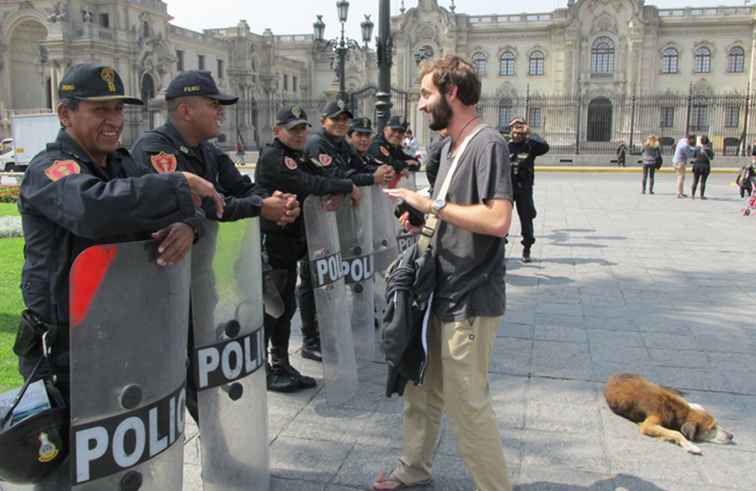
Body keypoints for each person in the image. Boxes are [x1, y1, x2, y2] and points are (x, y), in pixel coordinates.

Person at [13, 63, 224, 408]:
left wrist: (188, 227)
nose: (114, 120)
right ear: (65, 114)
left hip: (125, 334)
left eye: (118, 109)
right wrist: (177, 185)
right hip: (68, 351)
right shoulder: (48, 169)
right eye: (100, 110)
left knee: (132, 451)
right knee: (74, 457)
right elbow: (93, 210)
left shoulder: (122, 165)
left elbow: (192, 209)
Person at [372, 55, 514, 491]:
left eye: (426, 94)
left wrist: (430, 206)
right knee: (421, 387)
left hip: (469, 296)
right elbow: (455, 214)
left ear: (452, 93)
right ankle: (414, 468)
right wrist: (424, 221)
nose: (420, 105)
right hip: (437, 290)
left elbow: (497, 221)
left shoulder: (487, 143)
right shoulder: (449, 148)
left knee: (467, 403)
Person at [130, 70, 301, 416]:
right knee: (167, 373)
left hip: (201, 279)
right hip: (162, 284)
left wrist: (276, 201)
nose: (221, 112)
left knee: (203, 365)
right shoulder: (154, 149)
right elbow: (202, 206)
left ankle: (216, 445)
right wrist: (260, 206)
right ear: (185, 110)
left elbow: (241, 188)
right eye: (213, 105)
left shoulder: (208, 152)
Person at [254, 105, 357, 392]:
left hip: (291, 242)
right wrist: (347, 186)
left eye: (302, 128)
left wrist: (338, 185)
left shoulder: (296, 156)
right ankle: (265, 369)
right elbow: (309, 182)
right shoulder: (275, 156)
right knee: (273, 308)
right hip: (274, 242)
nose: (300, 134)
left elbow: (322, 175)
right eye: (293, 129)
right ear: (278, 131)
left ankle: (281, 363)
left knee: (285, 307)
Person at [507, 117, 548, 263]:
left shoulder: (530, 145)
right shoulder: (505, 145)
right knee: (503, 218)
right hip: (507, 189)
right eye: (514, 130)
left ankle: (527, 248)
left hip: (524, 189)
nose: (517, 134)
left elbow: (545, 147)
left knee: (526, 218)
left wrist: (530, 133)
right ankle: (500, 248)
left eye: (520, 130)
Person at [347, 116, 396, 187]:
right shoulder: (344, 155)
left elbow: (368, 167)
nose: (364, 139)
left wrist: (387, 170)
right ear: (349, 137)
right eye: (359, 135)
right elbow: (344, 178)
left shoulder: (366, 156)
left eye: (367, 135)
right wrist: (373, 177)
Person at [425, 128, 449, 193]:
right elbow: (430, 165)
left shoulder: (448, 141)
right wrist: (434, 184)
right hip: (439, 187)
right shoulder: (438, 143)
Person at [673, 134, 697, 198]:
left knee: (681, 177)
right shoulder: (685, 146)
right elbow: (690, 155)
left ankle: (681, 192)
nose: (695, 140)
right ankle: (679, 193)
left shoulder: (682, 140)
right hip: (680, 162)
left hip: (676, 161)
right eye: (694, 139)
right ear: (691, 139)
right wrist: (695, 149)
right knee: (680, 178)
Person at [691, 135, 714, 200]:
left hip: (697, 165)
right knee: (703, 181)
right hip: (705, 166)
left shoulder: (697, 148)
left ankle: (693, 195)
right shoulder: (708, 149)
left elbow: (694, 156)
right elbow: (711, 158)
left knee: (695, 181)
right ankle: (702, 196)